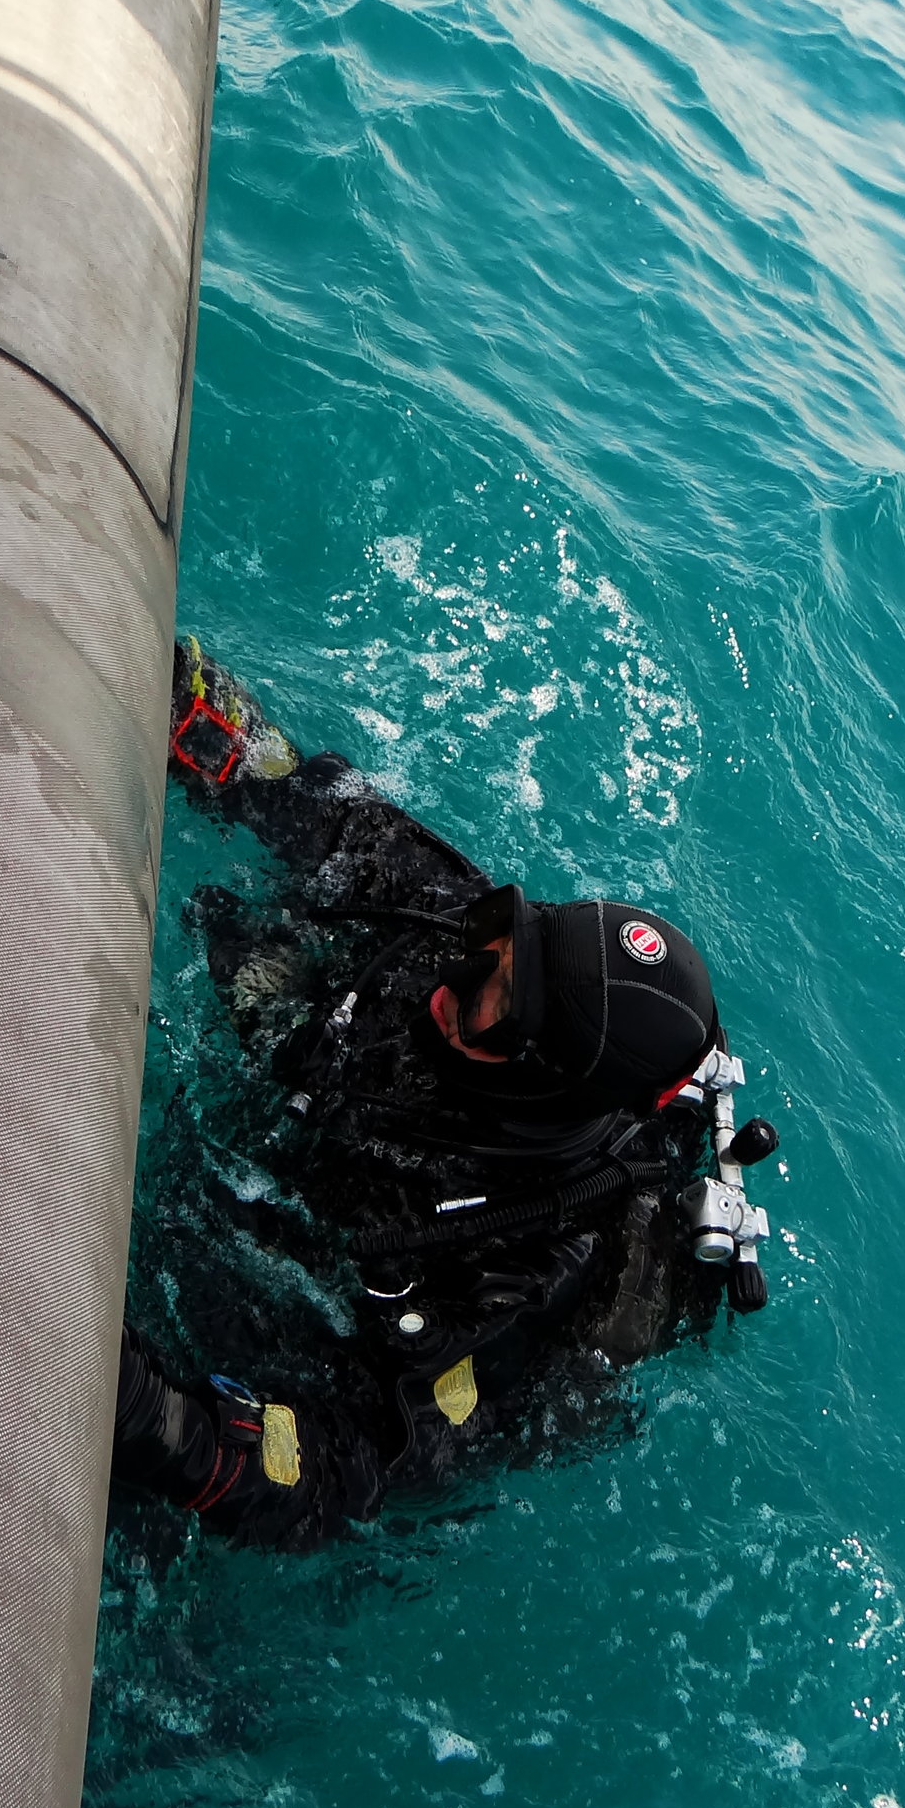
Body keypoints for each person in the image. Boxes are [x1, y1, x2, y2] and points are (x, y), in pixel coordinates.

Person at [112, 639, 774, 1552]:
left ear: (543, 1079)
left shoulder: (528, 1278)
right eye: (501, 942)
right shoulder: (469, 933)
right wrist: (215, 727)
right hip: (338, 1097)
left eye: (491, 1000)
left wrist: (171, 1429)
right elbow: (322, 810)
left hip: (352, 1272)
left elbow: (363, 1461)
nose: (453, 976)